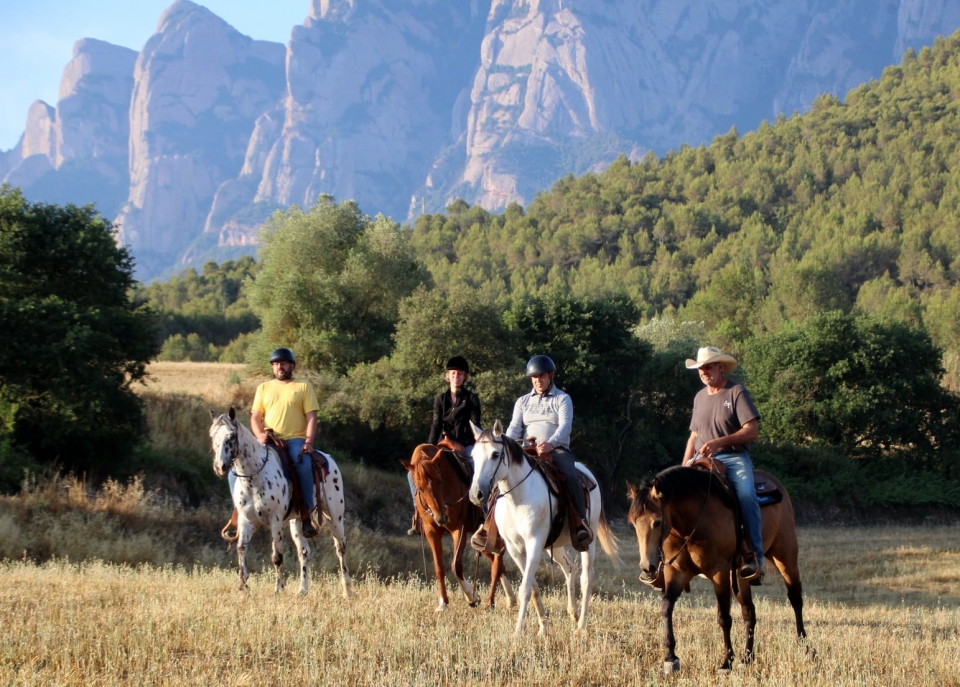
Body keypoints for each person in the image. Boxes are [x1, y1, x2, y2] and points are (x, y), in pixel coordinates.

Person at [473, 354, 593, 550]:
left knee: (570, 477)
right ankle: (489, 527)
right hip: (526, 451)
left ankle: (580, 523)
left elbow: (565, 427)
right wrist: (507, 444)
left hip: (557, 450)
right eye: (534, 377)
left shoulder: (563, 399)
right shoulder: (523, 401)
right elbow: (514, 428)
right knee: (500, 476)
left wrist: (551, 444)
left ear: (551, 375)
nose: (538, 381)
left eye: (542, 376)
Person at [682, 345, 764, 581]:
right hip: (701, 459)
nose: (704, 372)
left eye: (708, 367)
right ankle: (671, 562)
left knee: (747, 496)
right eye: (700, 368)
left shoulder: (736, 391)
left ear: (720, 367)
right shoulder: (699, 397)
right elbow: (694, 436)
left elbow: (752, 430)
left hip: (733, 457)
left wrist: (719, 442)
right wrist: (683, 466)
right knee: (672, 496)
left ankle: (754, 557)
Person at [224, 347, 321, 539]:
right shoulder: (264, 388)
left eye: (283, 363)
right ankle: (239, 513)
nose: (279, 367)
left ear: (292, 365)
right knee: (234, 473)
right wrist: (259, 434)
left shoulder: (303, 387)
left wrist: (308, 441)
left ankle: (306, 513)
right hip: (268, 439)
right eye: (276, 364)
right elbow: (255, 417)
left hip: (294, 439)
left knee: (302, 465)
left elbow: (311, 417)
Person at [407, 356, 481, 535]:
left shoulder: (472, 399)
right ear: (447, 376)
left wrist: (461, 443)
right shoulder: (440, 399)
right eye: (453, 373)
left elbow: (475, 425)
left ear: (465, 377)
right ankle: (418, 512)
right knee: (412, 475)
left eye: (460, 374)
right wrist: (430, 448)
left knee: (478, 469)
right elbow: (436, 425)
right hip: (442, 446)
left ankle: (482, 514)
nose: (456, 376)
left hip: (466, 445)